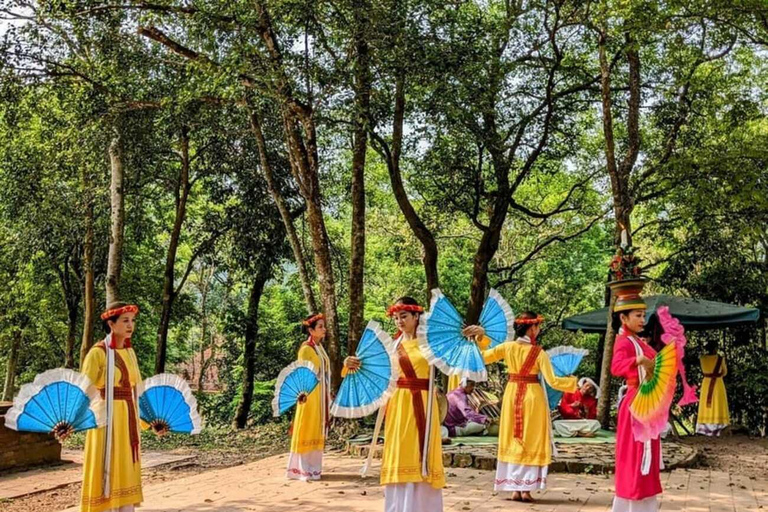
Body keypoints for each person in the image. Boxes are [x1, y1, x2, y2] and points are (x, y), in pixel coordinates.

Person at [344, 297, 488, 512]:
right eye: (396, 317)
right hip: (397, 405)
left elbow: (467, 354)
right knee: (400, 451)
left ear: (416, 316)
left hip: (423, 402)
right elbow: (366, 371)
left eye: (404, 316)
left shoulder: (431, 342)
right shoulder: (391, 346)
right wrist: (349, 365)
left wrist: (479, 336)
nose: (399, 321)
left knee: (422, 452)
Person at [472, 311, 577, 503]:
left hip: (512, 395)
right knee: (531, 439)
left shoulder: (508, 347)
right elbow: (552, 381)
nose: (539, 329)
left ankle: (513, 487)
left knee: (513, 438)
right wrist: (571, 382)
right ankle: (526, 490)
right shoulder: (539, 353)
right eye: (537, 326)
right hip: (532, 398)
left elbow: (482, 357)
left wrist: (481, 338)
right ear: (531, 328)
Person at [79, 302, 167, 512]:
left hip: (127, 418)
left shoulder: (129, 353)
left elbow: (137, 390)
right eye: (125, 321)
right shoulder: (97, 353)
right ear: (111, 323)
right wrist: (72, 421)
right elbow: (84, 390)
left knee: (126, 466)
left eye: (133, 321)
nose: (130, 325)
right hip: (106, 419)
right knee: (106, 466)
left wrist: (152, 421)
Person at [610, 279, 663, 512]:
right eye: (638, 315)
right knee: (636, 455)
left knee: (645, 454)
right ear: (624, 318)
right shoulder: (623, 342)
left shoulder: (637, 341)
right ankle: (631, 504)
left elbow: (657, 361)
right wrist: (638, 361)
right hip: (635, 401)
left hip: (646, 401)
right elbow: (616, 367)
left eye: (643, 315)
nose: (643, 320)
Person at [286, 313, 332, 481]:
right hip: (309, 395)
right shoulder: (306, 349)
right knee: (307, 426)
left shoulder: (319, 347)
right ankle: (302, 469)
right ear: (311, 331)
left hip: (320, 393)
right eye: (320, 327)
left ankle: (314, 468)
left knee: (317, 427)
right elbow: (303, 373)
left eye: (323, 326)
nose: (324, 329)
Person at [695, 340, 730, 436]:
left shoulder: (702, 358)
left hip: (706, 383)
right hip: (718, 383)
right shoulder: (720, 359)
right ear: (715, 348)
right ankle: (718, 427)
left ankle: (704, 428)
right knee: (718, 403)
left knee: (706, 405)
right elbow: (725, 372)